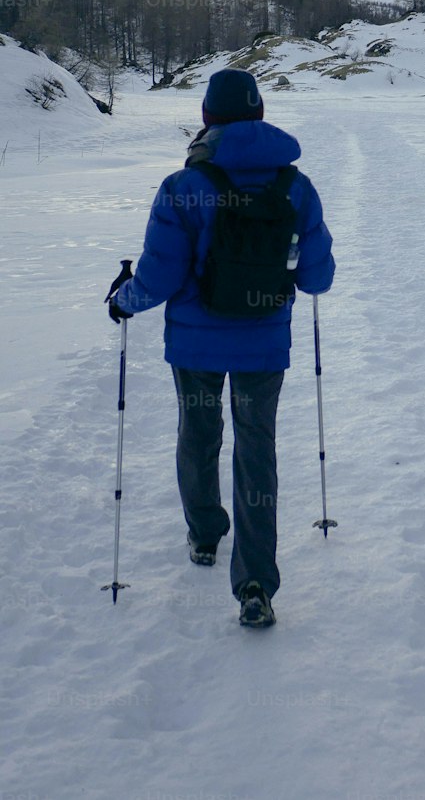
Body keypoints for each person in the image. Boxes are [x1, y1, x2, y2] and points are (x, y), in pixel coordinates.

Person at [109, 68, 334, 628]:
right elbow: (317, 278)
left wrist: (122, 301)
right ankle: (256, 580)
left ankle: (206, 534)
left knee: (199, 435)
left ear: (208, 117)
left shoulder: (183, 186)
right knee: (256, 449)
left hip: (195, 344)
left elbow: (158, 280)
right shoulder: (295, 186)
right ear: (260, 114)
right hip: (263, 344)